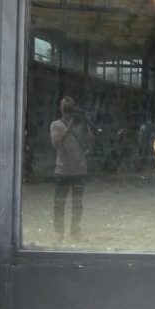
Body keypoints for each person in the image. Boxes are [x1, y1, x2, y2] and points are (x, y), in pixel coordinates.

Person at [50, 96, 93, 243]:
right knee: (59, 204)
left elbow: (90, 143)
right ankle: (58, 233)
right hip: (62, 171)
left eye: (70, 108)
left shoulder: (81, 125)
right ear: (61, 109)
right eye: (66, 108)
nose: (68, 111)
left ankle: (75, 232)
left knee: (77, 204)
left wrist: (88, 126)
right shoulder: (55, 125)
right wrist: (68, 127)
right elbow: (56, 144)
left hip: (79, 170)